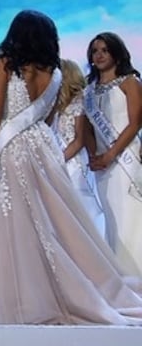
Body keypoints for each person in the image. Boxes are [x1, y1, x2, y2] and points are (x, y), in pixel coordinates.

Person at [0, 11, 142, 324]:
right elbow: (44, 118)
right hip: (42, 146)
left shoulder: (5, 62)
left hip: (11, 147)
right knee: (50, 222)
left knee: (11, 224)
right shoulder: (55, 71)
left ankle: (19, 301)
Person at [86, 32, 142, 273]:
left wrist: (111, 155)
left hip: (126, 160)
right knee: (112, 222)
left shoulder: (130, 82)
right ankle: (121, 282)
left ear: (116, 53)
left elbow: (136, 122)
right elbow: (86, 128)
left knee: (131, 219)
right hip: (102, 166)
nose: (98, 55)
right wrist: (93, 155)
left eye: (104, 50)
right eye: (95, 51)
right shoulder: (88, 91)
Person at [50, 59, 108, 241]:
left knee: (83, 207)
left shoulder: (80, 101)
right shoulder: (57, 107)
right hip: (61, 161)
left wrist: (58, 160)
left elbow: (79, 139)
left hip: (75, 163)